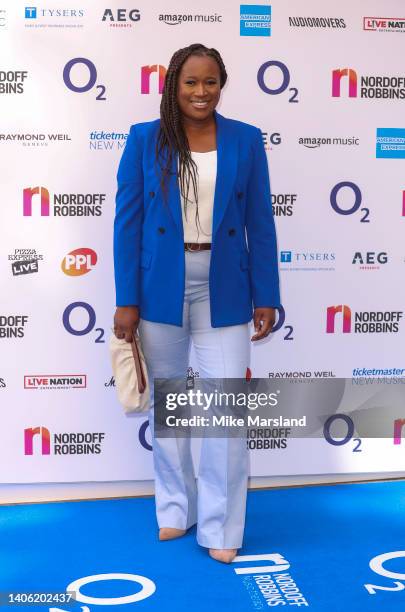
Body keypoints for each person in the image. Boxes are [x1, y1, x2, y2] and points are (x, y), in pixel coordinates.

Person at [113, 43, 280, 564]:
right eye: (190, 82)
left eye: (210, 82)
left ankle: (222, 525)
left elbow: (261, 222)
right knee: (173, 408)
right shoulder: (145, 139)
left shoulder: (246, 140)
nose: (200, 92)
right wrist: (126, 300)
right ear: (173, 85)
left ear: (222, 85)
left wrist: (267, 295)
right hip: (160, 283)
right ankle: (173, 509)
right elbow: (127, 223)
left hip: (225, 284)